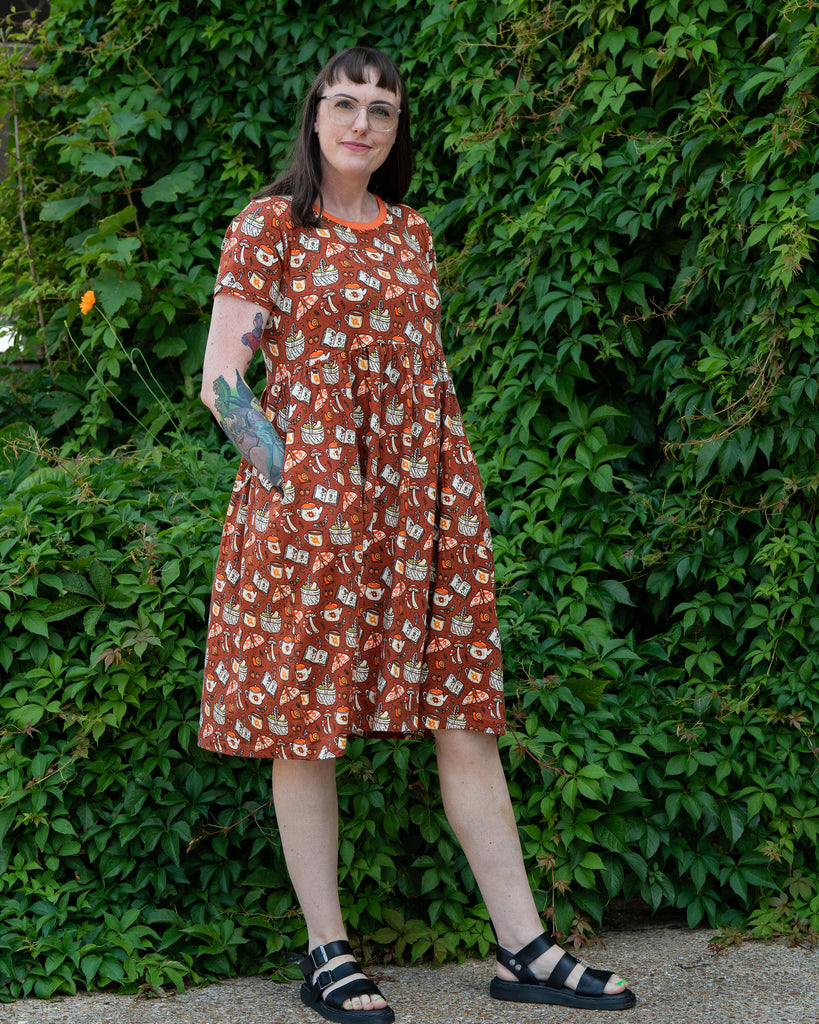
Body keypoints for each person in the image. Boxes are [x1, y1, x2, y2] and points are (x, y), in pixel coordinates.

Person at [198, 45, 636, 1023]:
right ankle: (327, 951)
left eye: (382, 109)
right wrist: (293, 483)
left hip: (423, 506)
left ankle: (524, 946)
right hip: (310, 513)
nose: (362, 122)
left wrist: (444, 491)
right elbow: (223, 379)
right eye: (345, 103)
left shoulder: (411, 233)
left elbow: (423, 377)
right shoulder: (272, 224)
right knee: (305, 724)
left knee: (466, 713)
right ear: (315, 115)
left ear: (396, 130)